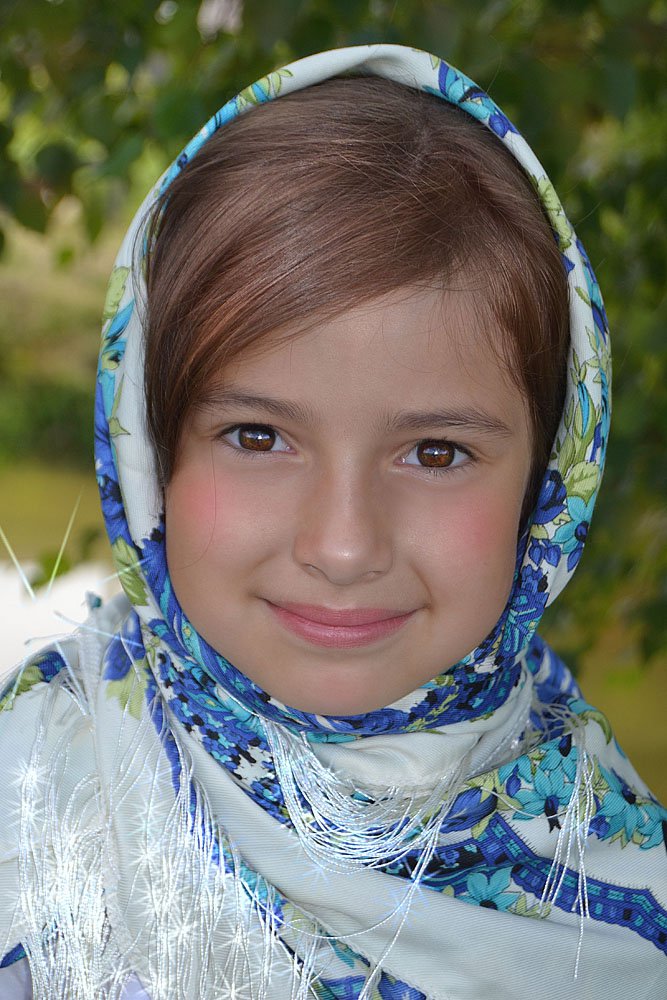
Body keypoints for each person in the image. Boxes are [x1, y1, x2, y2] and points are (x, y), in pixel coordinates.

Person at [0, 43, 665, 1000]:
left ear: (547, 487)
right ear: (149, 451)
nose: (343, 546)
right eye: (258, 437)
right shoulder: (35, 792)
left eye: (434, 453)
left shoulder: (620, 897)